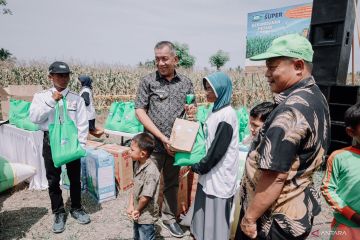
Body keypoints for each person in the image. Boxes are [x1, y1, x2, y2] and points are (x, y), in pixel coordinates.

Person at [235, 34, 330, 240]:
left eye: (272, 67)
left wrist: (250, 218)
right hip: (296, 208)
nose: (267, 74)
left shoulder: (290, 112)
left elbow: (274, 176)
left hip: (273, 219)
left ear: (298, 66)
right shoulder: (315, 96)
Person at [135, 41, 195, 237]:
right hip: (152, 146)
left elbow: (191, 112)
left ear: (175, 59)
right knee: (146, 183)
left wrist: (192, 112)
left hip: (175, 146)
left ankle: (169, 217)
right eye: (157, 59)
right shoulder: (148, 81)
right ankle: (145, 221)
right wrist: (162, 138)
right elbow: (140, 111)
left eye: (164, 58)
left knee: (171, 183)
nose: (160, 63)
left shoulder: (186, 83)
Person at [29, 61, 90, 233]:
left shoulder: (76, 98)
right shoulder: (41, 97)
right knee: (53, 179)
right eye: (59, 75)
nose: (64, 79)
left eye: (66, 75)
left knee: (74, 177)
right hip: (51, 141)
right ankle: (58, 211)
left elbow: (82, 124)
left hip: (72, 142)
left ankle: (76, 208)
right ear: (50, 77)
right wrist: (51, 102)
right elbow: (34, 118)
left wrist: (81, 145)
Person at [189, 71, 239, 240]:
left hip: (219, 171)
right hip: (211, 171)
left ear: (221, 90)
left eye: (210, 89)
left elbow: (218, 150)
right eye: (206, 88)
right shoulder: (215, 109)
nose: (206, 92)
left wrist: (198, 166)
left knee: (215, 215)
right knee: (204, 210)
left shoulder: (227, 114)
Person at [321, 103, 360, 240]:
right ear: (351, 131)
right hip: (346, 226)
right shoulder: (339, 157)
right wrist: (352, 215)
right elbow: (327, 189)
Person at [127, 132, 160, 240]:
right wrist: (131, 205)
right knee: (136, 235)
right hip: (137, 212)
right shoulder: (137, 163)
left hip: (146, 215)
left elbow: (146, 197)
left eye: (132, 150)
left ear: (142, 154)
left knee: (145, 236)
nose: (129, 151)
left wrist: (138, 209)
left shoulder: (151, 172)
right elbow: (134, 186)